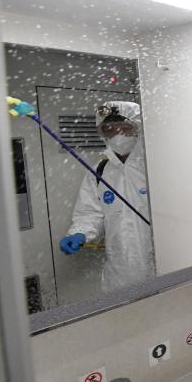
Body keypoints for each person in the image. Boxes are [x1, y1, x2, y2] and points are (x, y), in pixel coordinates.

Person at [59, 100, 155, 291]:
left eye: (125, 128)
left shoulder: (154, 164)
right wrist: (80, 233)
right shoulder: (99, 171)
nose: (118, 135)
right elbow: (90, 213)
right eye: (110, 129)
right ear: (103, 133)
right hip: (119, 275)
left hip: (160, 268)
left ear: (139, 128)